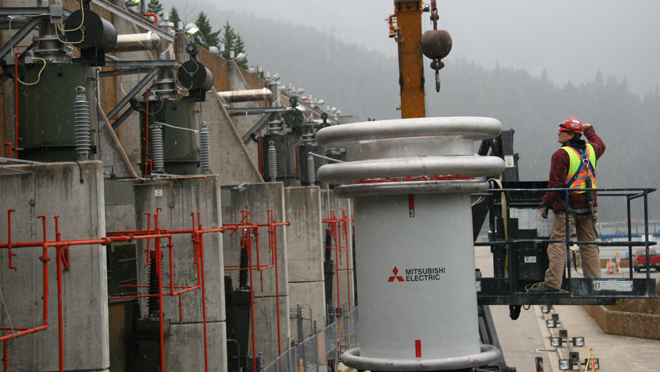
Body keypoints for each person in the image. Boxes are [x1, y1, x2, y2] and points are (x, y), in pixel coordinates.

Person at [530, 117, 606, 292]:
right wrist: (589, 130)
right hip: (588, 207)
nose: (558, 133)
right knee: (589, 245)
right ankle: (595, 284)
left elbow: (555, 183)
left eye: (562, 131)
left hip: (567, 209)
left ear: (570, 135)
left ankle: (552, 284)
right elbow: (600, 144)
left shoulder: (561, 154)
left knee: (558, 244)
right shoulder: (591, 150)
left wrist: (546, 203)